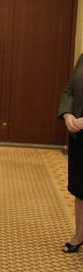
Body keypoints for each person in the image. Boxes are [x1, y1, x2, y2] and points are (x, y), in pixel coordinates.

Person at [58, 53, 83, 253]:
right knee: (79, 188)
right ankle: (79, 234)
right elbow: (69, 89)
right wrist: (67, 115)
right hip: (79, 134)